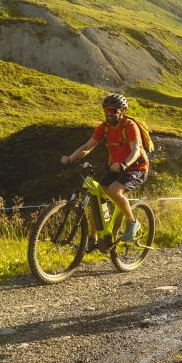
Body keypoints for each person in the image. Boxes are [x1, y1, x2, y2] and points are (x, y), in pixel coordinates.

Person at [60, 93, 149, 251]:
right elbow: (87, 146)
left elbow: (135, 151)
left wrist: (124, 164)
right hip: (115, 166)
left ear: (122, 111)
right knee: (96, 196)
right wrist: (71, 158)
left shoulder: (130, 126)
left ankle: (132, 222)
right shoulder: (104, 127)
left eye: (113, 110)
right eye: (106, 110)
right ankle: (93, 238)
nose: (109, 113)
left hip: (136, 167)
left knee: (114, 190)